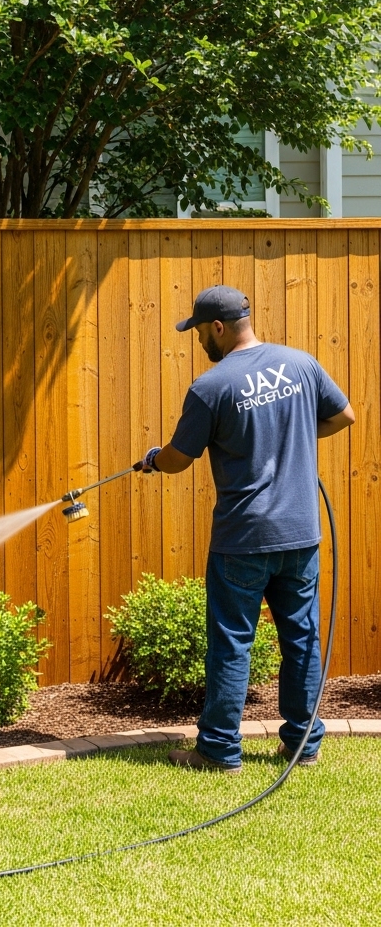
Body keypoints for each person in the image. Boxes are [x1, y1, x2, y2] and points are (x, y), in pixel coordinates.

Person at [135, 285, 354, 774]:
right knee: (301, 639)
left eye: (198, 333)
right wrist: (294, 429)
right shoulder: (301, 364)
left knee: (233, 642)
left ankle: (217, 750)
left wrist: (152, 459)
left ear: (217, 327)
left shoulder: (212, 386)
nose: (198, 343)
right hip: (301, 534)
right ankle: (304, 744)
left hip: (243, 540)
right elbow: (344, 416)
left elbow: (177, 459)